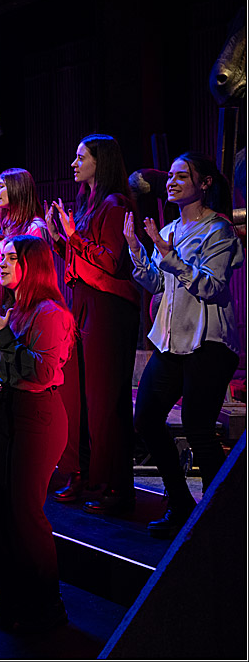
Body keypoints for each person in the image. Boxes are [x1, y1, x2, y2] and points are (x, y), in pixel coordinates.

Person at [123, 152, 244, 537]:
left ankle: (217, 520)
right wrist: (137, 247)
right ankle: (181, 504)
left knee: (197, 427)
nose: (171, 182)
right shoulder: (172, 228)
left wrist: (168, 253)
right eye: (170, 177)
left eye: (181, 176)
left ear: (204, 183)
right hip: (172, 342)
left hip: (209, 343)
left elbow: (211, 286)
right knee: (145, 419)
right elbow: (159, 284)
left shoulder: (218, 231)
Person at [0, 235, 74, 634]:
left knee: (26, 513)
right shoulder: (15, 310)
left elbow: (39, 373)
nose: (2, 263)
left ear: (34, 265)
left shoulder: (51, 313)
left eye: (11, 257)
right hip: (4, 410)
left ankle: (47, 604)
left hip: (35, 417)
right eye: (2, 256)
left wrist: (2, 334)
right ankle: (8, 592)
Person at [46, 134, 141, 514]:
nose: (73, 163)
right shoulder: (90, 203)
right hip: (84, 302)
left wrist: (72, 236)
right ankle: (83, 473)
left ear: (101, 162)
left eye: (81, 156)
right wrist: (60, 240)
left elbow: (110, 260)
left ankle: (115, 485)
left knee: (105, 403)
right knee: (80, 399)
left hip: (109, 306)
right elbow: (80, 259)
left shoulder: (116, 204)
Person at [0, 168, 50, 303]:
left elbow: (29, 274)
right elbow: (6, 272)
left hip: (25, 301)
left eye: (1, 186)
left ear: (17, 189)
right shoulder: (5, 225)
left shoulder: (35, 227)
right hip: (4, 299)